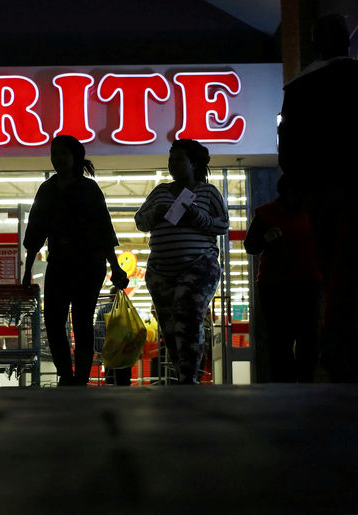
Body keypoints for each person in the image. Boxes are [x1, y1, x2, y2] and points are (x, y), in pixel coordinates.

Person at [277, 13, 358, 382]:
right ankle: (341, 347)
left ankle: (338, 349)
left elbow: (288, 145)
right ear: (347, 40)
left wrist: (298, 186)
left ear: (315, 43)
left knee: (332, 267)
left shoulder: (300, 87)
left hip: (321, 190)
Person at [22, 135, 129, 386]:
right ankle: (65, 373)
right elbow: (35, 231)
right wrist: (27, 270)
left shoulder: (89, 189)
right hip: (59, 262)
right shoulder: (47, 189)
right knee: (53, 319)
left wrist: (116, 267)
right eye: (54, 153)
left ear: (75, 157)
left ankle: (80, 376)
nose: (57, 158)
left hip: (88, 265)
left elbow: (104, 229)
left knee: (82, 319)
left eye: (63, 154)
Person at [134, 139, 228, 384]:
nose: (172, 164)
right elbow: (140, 221)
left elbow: (222, 224)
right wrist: (155, 213)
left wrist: (195, 214)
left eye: (178, 159)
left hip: (198, 266)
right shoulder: (160, 191)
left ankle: (189, 378)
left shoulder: (208, 192)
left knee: (188, 320)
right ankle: (184, 375)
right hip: (160, 271)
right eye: (170, 159)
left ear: (193, 163)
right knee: (170, 327)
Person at [244, 175, 322, 382]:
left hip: (307, 283)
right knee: (281, 339)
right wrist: (265, 239)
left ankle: (303, 382)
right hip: (276, 286)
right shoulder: (266, 214)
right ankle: (287, 383)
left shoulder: (314, 213)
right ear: (288, 192)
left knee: (307, 337)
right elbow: (250, 245)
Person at [94, 287, 132, 386]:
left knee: (111, 380)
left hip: (109, 351)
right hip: (125, 351)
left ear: (110, 296)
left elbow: (99, 332)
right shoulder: (128, 310)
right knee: (124, 380)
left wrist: (100, 350)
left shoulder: (103, 311)